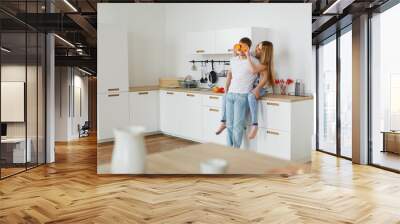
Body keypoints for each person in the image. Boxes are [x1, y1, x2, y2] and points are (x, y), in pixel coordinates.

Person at [216, 41, 275, 140]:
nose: (256, 50)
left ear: (265, 52)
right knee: (227, 96)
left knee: (250, 96)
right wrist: (238, 51)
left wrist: (257, 89)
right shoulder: (255, 59)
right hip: (250, 89)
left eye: (259, 49)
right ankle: (224, 121)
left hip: (264, 89)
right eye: (257, 47)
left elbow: (253, 71)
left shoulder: (264, 64)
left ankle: (255, 124)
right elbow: (240, 58)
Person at [221, 37, 260, 148]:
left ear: (248, 48)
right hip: (231, 94)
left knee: (238, 126)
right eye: (239, 46)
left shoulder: (254, 61)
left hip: (242, 96)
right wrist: (226, 89)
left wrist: (247, 56)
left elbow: (255, 73)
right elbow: (230, 75)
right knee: (229, 125)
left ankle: (235, 150)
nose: (241, 50)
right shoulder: (233, 60)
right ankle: (229, 149)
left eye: (244, 47)